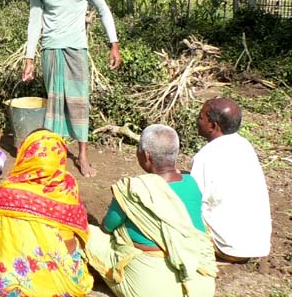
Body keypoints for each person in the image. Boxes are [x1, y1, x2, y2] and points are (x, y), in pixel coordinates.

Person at [21, 0, 121, 178]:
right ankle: (56, 152)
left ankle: (83, 156)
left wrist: (113, 44)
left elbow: (104, 10)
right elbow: (35, 21)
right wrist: (29, 57)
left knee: (79, 101)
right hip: (50, 50)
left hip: (76, 48)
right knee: (54, 102)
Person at [85, 124, 217, 297]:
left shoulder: (133, 189)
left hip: (150, 286)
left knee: (86, 234)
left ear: (145, 155)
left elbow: (107, 228)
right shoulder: (192, 183)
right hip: (198, 283)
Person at [0, 129, 94, 297]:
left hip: (18, 276)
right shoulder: (67, 186)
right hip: (66, 277)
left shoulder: (9, 190)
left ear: (27, 154)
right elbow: (77, 233)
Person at [191, 97, 272, 262]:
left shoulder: (205, 156)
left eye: (201, 117)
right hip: (256, 245)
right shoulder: (244, 146)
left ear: (213, 126)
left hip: (229, 247)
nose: (197, 120)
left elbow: (192, 201)